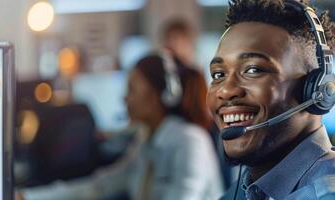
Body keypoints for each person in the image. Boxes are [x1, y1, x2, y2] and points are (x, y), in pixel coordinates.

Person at [206, 0, 335, 199]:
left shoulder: (332, 196)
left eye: (253, 70)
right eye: (218, 74)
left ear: (318, 90)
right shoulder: (245, 190)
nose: (225, 90)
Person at [17, 53, 224, 200]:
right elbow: (100, 187)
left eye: (132, 89)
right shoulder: (145, 141)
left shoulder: (190, 142)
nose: (125, 98)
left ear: (156, 96)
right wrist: (27, 197)